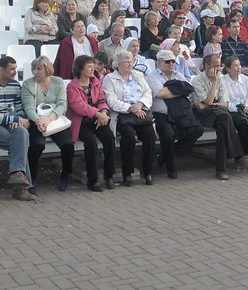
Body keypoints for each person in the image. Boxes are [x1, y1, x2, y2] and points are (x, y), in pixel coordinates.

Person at [0, 56, 35, 201]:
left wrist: (18, 119)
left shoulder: (16, 85)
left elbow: (20, 108)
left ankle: (17, 176)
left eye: (15, 68)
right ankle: (23, 188)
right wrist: (15, 119)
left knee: (21, 132)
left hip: (8, 123)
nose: (15, 72)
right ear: (1, 70)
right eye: (12, 69)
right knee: (19, 144)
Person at [191, 54, 248, 180]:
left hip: (218, 112)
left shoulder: (220, 78)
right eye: (215, 66)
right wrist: (214, 83)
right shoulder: (197, 81)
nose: (219, 69)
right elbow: (208, 102)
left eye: (220, 66)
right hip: (202, 114)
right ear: (207, 66)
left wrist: (211, 104)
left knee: (223, 126)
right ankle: (238, 157)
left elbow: (224, 103)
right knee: (225, 117)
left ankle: (221, 169)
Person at [64, 55, 117, 192]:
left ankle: (109, 175)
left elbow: (102, 99)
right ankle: (92, 180)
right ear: (80, 69)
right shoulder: (72, 86)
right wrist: (97, 114)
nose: (93, 68)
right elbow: (78, 106)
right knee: (91, 143)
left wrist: (103, 112)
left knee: (109, 138)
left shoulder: (96, 82)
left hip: (97, 118)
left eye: (93, 65)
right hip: (80, 121)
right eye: (89, 66)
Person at [145, 49, 200, 180]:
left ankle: (168, 154)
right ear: (159, 63)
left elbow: (189, 89)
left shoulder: (178, 75)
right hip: (161, 114)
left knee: (198, 130)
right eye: (167, 61)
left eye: (173, 61)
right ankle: (171, 167)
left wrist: (169, 90)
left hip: (180, 112)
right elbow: (160, 94)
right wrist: (178, 91)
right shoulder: (153, 77)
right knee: (168, 134)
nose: (171, 64)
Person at [104, 52, 157, 187]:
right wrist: (131, 108)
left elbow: (147, 93)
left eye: (131, 61)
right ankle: (127, 173)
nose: (130, 64)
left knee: (150, 134)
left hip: (140, 111)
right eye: (126, 62)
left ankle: (148, 172)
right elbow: (111, 100)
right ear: (118, 64)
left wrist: (140, 104)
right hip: (122, 114)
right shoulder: (110, 78)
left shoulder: (138, 75)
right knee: (128, 136)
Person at [20, 56, 72, 193]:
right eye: (33, 69)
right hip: (35, 120)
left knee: (68, 144)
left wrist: (49, 119)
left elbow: (62, 104)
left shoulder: (58, 82)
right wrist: (39, 121)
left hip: (54, 119)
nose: (35, 72)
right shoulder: (28, 84)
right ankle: (31, 179)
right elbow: (28, 108)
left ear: (47, 69)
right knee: (37, 145)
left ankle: (65, 176)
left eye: (39, 69)